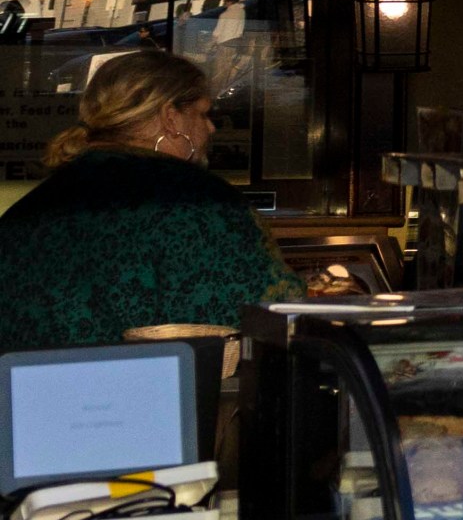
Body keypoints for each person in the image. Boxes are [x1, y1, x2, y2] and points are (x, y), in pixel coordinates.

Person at [0, 48, 295, 352]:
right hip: (152, 395)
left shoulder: (29, 210)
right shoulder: (203, 204)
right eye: (203, 114)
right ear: (170, 118)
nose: (211, 128)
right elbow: (270, 312)